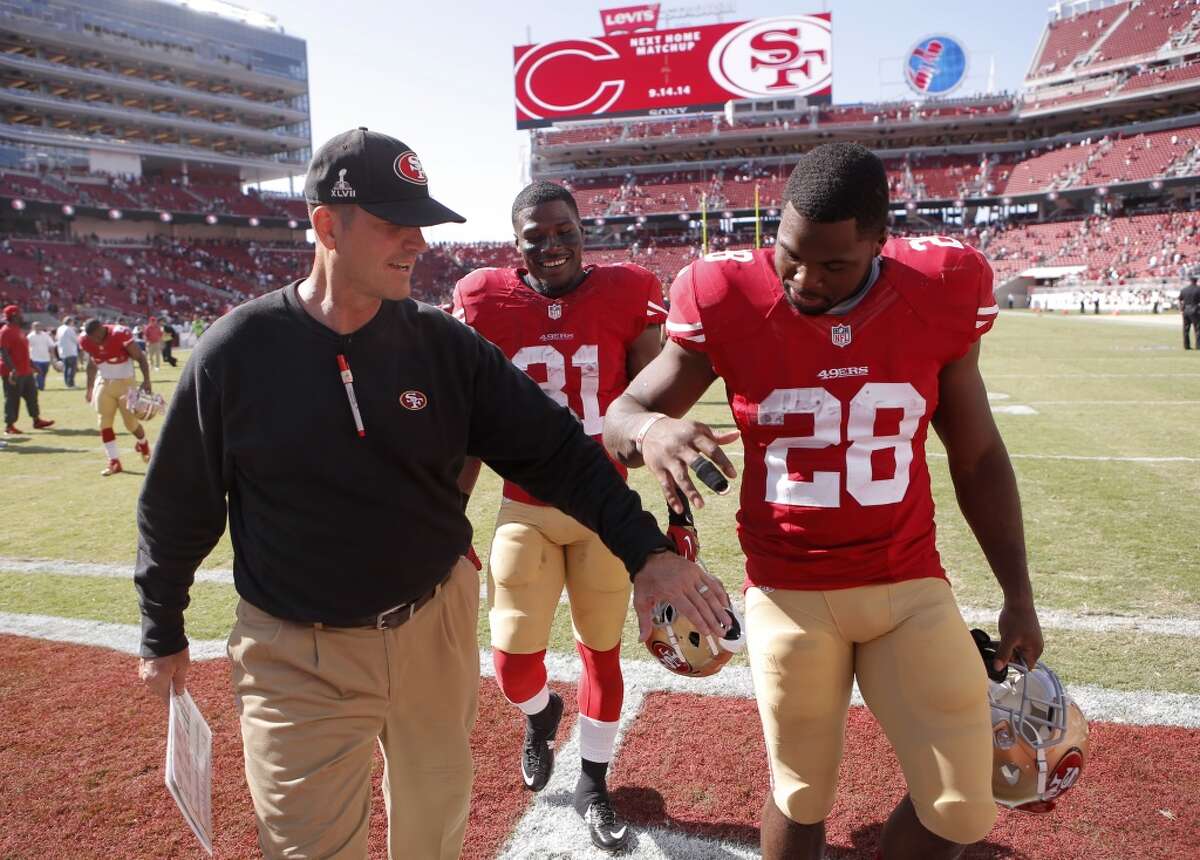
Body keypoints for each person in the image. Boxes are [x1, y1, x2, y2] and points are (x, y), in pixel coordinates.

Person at [134, 128, 730, 860]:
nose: (418, 241)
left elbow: (558, 456)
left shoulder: (444, 347)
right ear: (326, 225)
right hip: (299, 655)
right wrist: (161, 627)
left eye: (419, 220)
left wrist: (648, 554)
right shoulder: (237, 351)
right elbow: (176, 505)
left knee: (435, 838)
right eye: (394, 222)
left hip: (433, 630)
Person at [604, 143, 1043, 860]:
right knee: (802, 791)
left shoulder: (941, 287)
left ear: (880, 241)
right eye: (789, 255)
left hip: (908, 582)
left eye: (833, 264)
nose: (804, 280)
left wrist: (1017, 593)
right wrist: (651, 429)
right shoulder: (725, 292)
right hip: (790, 588)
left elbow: (978, 453)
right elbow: (622, 416)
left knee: (963, 808)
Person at [452, 181, 681, 852]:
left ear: (583, 232)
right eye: (536, 236)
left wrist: (671, 512)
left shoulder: (626, 290)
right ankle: (541, 711)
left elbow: (650, 414)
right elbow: (467, 424)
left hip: (604, 511)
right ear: (515, 244)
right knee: (511, 665)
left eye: (564, 232)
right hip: (524, 507)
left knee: (600, 651)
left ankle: (593, 782)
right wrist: (450, 516)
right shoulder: (483, 299)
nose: (552, 246)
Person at [79, 319, 153, 476]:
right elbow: (92, 364)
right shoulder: (86, 340)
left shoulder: (119, 333)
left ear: (101, 329)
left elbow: (140, 357)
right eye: (91, 337)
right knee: (103, 421)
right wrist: (89, 388)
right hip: (104, 382)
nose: (94, 340)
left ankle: (143, 444)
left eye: (96, 336)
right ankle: (114, 461)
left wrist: (146, 381)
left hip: (125, 383)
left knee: (130, 423)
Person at [1, 305, 55, 434]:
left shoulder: (18, 330)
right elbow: (3, 352)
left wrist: (32, 365)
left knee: (32, 396)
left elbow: (23, 351)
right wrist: (12, 370)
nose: (22, 316)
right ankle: (9, 426)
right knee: (13, 398)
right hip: (13, 372)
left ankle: (36, 420)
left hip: (25, 370)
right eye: (19, 313)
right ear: (14, 315)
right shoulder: (6, 331)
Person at [26, 321, 54, 390]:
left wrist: (52, 356)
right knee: (39, 374)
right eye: (36, 326)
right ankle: (40, 387)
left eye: (39, 326)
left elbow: (51, 345)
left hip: (46, 358)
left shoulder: (46, 335)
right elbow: (25, 347)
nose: (37, 328)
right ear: (32, 327)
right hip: (35, 359)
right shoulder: (30, 336)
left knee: (44, 373)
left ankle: (40, 385)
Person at [56, 315, 79, 387]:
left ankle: (67, 383)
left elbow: (57, 338)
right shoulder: (69, 329)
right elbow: (75, 340)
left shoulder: (59, 328)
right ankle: (71, 384)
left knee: (66, 368)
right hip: (71, 351)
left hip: (62, 351)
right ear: (70, 322)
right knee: (72, 368)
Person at [1180, 276, 1200, 349]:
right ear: (1196, 281)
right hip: (1195, 309)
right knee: (1197, 329)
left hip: (1186, 309)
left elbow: (1180, 299)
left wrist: (1181, 308)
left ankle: (1186, 345)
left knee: (1185, 329)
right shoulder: (1198, 289)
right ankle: (1198, 345)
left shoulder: (1184, 289)